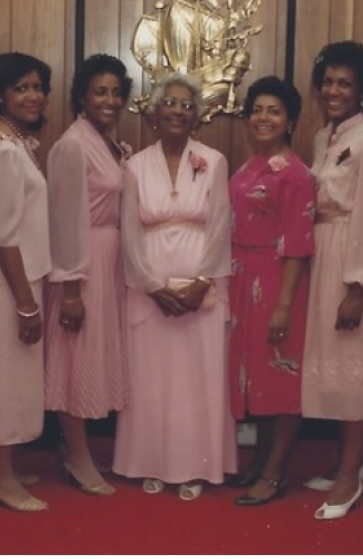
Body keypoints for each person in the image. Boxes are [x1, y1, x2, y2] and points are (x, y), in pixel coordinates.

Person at [112, 72, 237, 500]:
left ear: (197, 116)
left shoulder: (214, 161)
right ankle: (150, 461)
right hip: (148, 291)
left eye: (187, 105)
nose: (178, 111)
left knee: (197, 381)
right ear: (154, 112)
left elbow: (221, 225)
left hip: (201, 291)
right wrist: (150, 286)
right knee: (151, 381)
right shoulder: (134, 165)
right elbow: (129, 232)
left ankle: (196, 467)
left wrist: (202, 282)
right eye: (171, 103)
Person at [300, 41, 363, 521]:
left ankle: (348, 477)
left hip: (353, 268)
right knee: (332, 367)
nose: (333, 91)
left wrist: (357, 287)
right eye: (328, 81)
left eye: (345, 84)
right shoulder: (324, 139)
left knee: (352, 370)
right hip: (323, 260)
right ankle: (347, 465)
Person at [0, 52, 53, 512]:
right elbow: (2, 236)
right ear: (0, 93)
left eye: (38, 86)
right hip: (6, 287)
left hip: (15, 282)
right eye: (21, 87)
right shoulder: (1, 149)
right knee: (3, 381)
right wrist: (24, 302)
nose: (33, 95)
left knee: (10, 379)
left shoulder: (10, 141)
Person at [44, 54, 133, 495]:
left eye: (117, 92)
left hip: (110, 263)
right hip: (83, 265)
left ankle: (81, 452)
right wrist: (72, 290)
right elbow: (65, 222)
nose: (110, 100)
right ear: (82, 95)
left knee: (95, 358)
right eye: (101, 91)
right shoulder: (72, 145)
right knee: (75, 359)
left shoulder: (108, 143)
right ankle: (77, 456)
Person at [226, 76, 316, 506]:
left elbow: (298, 244)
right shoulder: (250, 165)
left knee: (281, 377)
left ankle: (276, 472)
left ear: (290, 121)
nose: (263, 118)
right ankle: (261, 460)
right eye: (257, 110)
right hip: (246, 277)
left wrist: (283, 307)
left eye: (274, 111)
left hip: (281, 282)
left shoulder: (295, 173)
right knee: (259, 375)